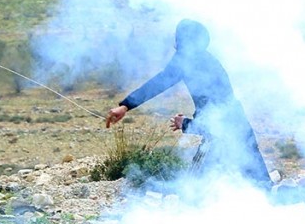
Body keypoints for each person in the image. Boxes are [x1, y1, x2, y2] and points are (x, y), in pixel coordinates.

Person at [105, 19, 273, 189]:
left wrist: (126, 106)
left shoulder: (187, 59)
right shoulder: (205, 58)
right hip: (238, 124)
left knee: (200, 190)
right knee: (260, 184)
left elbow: (160, 82)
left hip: (223, 134)